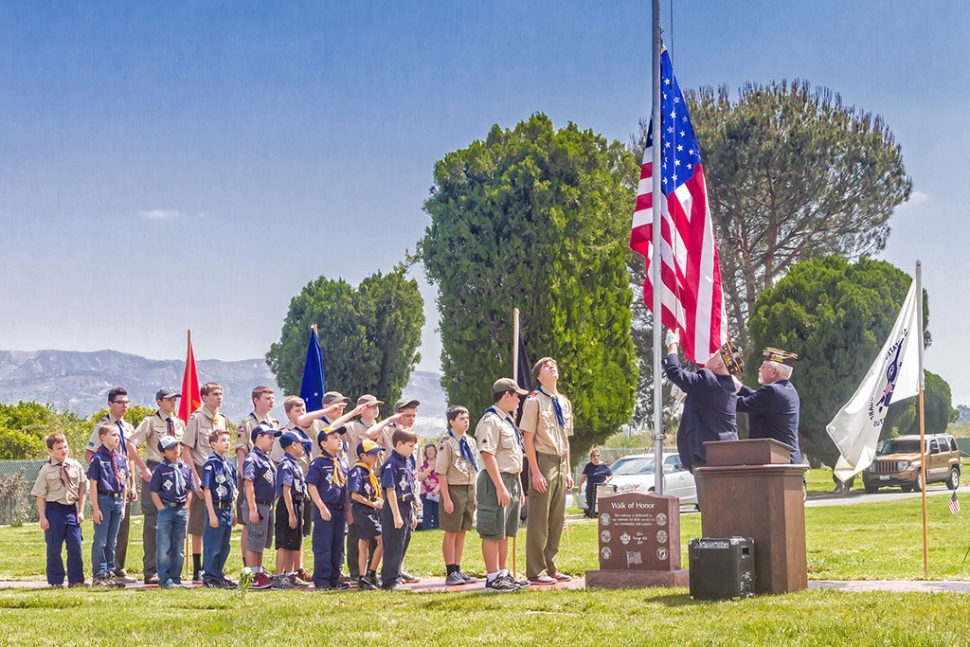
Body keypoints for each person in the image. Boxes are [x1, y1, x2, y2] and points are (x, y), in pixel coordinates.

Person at [520, 358, 574, 585]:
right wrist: (535, 471)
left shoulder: (563, 402)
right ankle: (535, 570)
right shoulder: (534, 401)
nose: (553, 366)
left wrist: (569, 470)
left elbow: (566, 439)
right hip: (543, 461)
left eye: (554, 363)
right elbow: (528, 438)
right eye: (546, 365)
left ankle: (551, 566)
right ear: (539, 376)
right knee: (539, 518)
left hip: (561, 461)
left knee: (556, 517)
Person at [662, 331, 744, 473]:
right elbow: (708, 411)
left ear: (718, 364)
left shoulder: (708, 379)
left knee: (710, 495)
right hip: (728, 453)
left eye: (714, 355)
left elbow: (674, 371)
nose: (710, 355)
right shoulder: (729, 387)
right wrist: (685, 400)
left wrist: (672, 345)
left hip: (708, 456)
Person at [477, 378, 529, 592]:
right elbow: (488, 455)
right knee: (492, 529)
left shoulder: (507, 421)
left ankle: (503, 573)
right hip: (494, 479)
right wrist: (499, 486)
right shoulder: (491, 421)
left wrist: (518, 486)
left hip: (511, 479)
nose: (518, 400)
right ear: (506, 395)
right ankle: (492, 578)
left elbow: (514, 457)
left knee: (506, 529)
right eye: (516, 395)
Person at [128, 386, 184, 584]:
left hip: (175, 472)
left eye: (175, 399)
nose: (173, 403)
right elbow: (131, 444)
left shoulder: (178, 423)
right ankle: (150, 570)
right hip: (156, 470)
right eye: (169, 399)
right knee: (153, 522)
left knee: (176, 522)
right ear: (159, 401)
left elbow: (182, 449)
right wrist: (143, 468)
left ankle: (171, 571)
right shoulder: (150, 421)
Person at [84, 386, 137, 584]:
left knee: (119, 532)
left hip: (120, 487)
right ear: (110, 404)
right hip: (105, 488)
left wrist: (131, 484)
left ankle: (116, 570)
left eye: (126, 402)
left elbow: (129, 458)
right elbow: (89, 454)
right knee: (102, 537)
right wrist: (105, 473)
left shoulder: (128, 427)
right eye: (120, 402)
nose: (124, 406)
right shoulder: (103, 426)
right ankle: (100, 573)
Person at [181, 382, 231, 582]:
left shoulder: (222, 420)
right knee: (199, 522)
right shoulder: (196, 418)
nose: (219, 397)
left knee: (218, 519)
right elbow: (186, 449)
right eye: (215, 394)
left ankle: (214, 566)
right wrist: (195, 478)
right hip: (201, 469)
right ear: (204, 397)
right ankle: (197, 568)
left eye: (221, 393)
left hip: (220, 469)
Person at [32, 433, 86, 588]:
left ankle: (76, 580)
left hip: (71, 510)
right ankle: (56, 581)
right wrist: (43, 517)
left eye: (65, 447)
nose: (64, 450)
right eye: (59, 448)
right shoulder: (46, 469)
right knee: (54, 547)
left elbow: (82, 489)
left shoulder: (76, 466)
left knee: (75, 546)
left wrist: (81, 511)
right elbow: (40, 495)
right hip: (54, 510)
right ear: (51, 451)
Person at [235, 386, 279, 567]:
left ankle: (257, 569)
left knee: (262, 531)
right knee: (250, 525)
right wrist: (246, 474)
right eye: (267, 398)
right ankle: (249, 567)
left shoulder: (274, 423)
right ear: (256, 400)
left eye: (272, 397)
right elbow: (241, 451)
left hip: (266, 475)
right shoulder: (247, 423)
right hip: (252, 478)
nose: (271, 401)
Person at [436, 406, 478, 586]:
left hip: (468, 489)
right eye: (462, 418)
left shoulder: (471, 442)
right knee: (451, 532)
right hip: (454, 490)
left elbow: (473, 469)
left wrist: (474, 494)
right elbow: (441, 472)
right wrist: (446, 498)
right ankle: (450, 571)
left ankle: (458, 569)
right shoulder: (447, 443)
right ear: (451, 422)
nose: (466, 421)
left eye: (467, 417)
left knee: (462, 532)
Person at [737, 348, 802, 464]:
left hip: (776, 467)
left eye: (763, 367)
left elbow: (739, 404)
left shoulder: (772, 392)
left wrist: (720, 388)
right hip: (786, 463)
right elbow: (756, 396)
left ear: (774, 372)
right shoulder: (787, 389)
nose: (759, 369)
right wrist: (739, 387)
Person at [148, 435, 196, 589]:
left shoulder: (186, 468)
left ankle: (176, 577)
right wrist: (161, 507)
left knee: (179, 544)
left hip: (181, 509)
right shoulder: (160, 470)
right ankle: (165, 578)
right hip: (167, 509)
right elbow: (154, 491)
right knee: (164, 544)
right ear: (163, 453)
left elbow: (189, 488)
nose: (175, 449)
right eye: (170, 448)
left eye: (176, 446)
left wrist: (186, 505)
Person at [306, 425, 350, 591]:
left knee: (337, 544)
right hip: (325, 508)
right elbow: (312, 486)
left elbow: (345, 488)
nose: (339, 440)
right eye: (334, 437)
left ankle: (334, 577)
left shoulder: (342, 463)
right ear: (323, 444)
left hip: (339, 509)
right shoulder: (318, 463)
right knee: (324, 543)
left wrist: (349, 510)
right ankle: (322, 580)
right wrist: (322, 507)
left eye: (340, 437)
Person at [344, 394, 383, 580]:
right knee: (357, 533)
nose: (375, 409)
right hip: (358, 480)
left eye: (377, 406)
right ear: (361, 408)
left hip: (374, 481)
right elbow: (331, 429)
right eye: (371, 406)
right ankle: (356, 572)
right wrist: (352, 413)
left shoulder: (380, 427)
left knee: (372, 534)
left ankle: (370, 571)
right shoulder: (353, 427)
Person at [87, 422, 129, 587]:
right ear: (103, 437)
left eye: (118, 435)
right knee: (101, 540)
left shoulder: (120, 458)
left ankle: (110, 572)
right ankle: (99, 574)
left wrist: (124, 505)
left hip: (117, 500)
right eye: (113, 435)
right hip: (104, 500)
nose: (116, 438)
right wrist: (96, 508)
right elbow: (93, 484)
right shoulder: (97, 458)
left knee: (113, 540)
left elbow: (124, 482)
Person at [242, 424, 281, 590]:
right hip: (257, 505)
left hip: (267, 504)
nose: (272, 441)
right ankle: (251, 576)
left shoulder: (264, 457)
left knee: (260, 541)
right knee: (254, 540)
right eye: (269, 437)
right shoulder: (253, 458)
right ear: (259, 437)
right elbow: (249, 484)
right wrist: (252, 509)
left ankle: (258, 571)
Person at [380, 428, 418, 591]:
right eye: (410, 446)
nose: (412, 449)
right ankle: (389, 580)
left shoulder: (407, 461)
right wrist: (396, 515)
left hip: (406, 507)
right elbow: (390, 490)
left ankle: (397, 576)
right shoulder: (391, 463)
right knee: (394, 544)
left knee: (403, 543)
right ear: (399, 444)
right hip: (394, 508)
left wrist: (413, 513)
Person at [201, 429, 239, 589]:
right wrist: (211, 513)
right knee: (213, 545)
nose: (227, 443)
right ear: (213, 444)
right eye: (223, 440)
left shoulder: (229, 465)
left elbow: (233, 490)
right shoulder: (211, 465)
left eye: (228, 440)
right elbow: (207, 489)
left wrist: (234, 511)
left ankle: (218, 574)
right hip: (215, 508)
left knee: (224, 545)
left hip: (227, 509)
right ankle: (209, 576)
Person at [274, 430, 310, 588]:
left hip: (297, 504)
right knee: (284, 543)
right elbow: (286, 490)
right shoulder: (286, 465)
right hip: (288, 505)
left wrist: (298, 513)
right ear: (293, 445)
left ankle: (289, 574)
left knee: (293, 543)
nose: (303, 447)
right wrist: (291, 514)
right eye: (301, 444)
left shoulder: (295, 464)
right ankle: (279, 576)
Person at [348, 440, 384, 590]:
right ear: (362, 455)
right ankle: (371, 573)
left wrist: (378, 500)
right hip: (364, 512)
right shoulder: (357, 471)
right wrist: (373, 504)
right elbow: (355, 495)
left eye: (377, 453)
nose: (376, 457)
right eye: (373, 454)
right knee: (384, 540)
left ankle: (362, 577)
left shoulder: (369, 472)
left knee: (364, 543)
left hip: (369, 512)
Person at [578, 448, 612, 518]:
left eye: (597, 455)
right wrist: (580, 486)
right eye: (594, 456)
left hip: (601, 487)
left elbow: (611, 475)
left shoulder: (604, 465)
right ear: (591, 457)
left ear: (599, 456)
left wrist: (607, 480)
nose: (596, 457)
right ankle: (592, 515)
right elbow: (583, 477)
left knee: (601, 502)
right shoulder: (588, 466)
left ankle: (601, 515)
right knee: (590, 501)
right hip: (591, 487)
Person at [416, 443, 440, 530]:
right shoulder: (422, 463)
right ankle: (427, 528)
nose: (430, 452)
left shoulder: (440, 462)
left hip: (439, 491)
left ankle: (438, 529)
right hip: (425, 491)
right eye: (428, 450)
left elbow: (445, 476)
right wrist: (429, 470)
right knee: (427, 512)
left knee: (437, 513)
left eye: (431, 450)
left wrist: (437, 488)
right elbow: (420, 476)